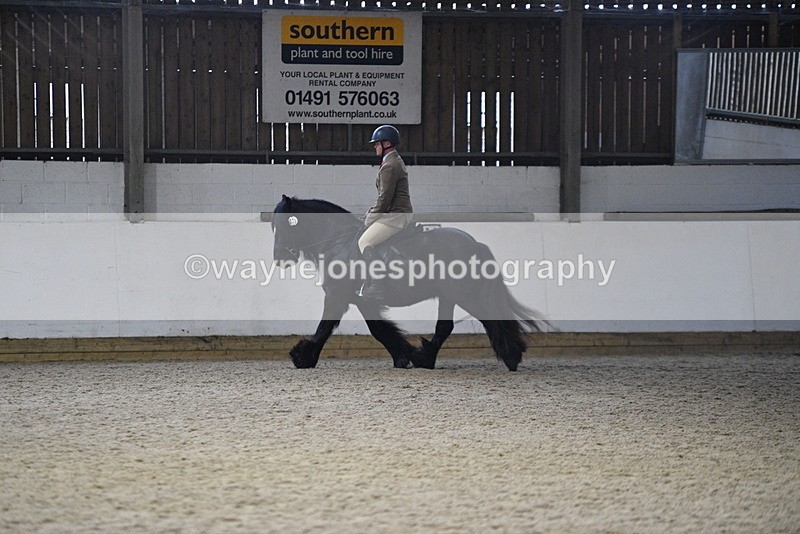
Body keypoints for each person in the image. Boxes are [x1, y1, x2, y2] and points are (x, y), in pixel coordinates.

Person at [358, 125, 413, 300]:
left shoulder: (390, 165)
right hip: (396, 212)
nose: (375, 147)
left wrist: (369, 218)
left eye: (377, 144)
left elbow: (384, 199)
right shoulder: (393, 161)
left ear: (387, 143)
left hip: (396, 215)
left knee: (364, 240)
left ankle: (377, 286)